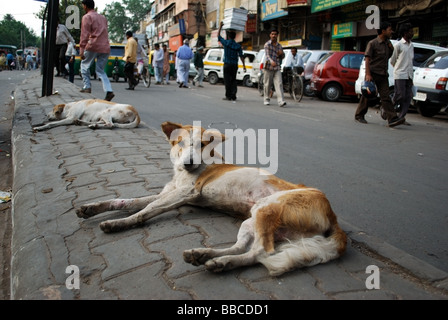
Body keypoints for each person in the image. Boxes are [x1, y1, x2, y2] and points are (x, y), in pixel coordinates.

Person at [354, 21, 404, 127]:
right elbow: (367, 59)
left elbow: (388, 57)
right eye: (390, 30)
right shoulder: (373, 43)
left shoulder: (388, 44)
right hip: (372, 73)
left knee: (385, 97)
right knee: (367, 95)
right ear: (383, 31)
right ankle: (359, 115)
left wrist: (391, 48)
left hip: (383, 74)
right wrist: (368, 74)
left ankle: (392, 118)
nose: (391, 32)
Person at [79, 0, 114, 101]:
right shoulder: (103, 17)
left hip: (93, 45)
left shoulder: (87, 17)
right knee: (100, 70)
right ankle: (109, 90)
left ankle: (87, 86)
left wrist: (82, 49)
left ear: (85, 6)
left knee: (84, 65)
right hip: (105, 46)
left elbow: (84, 34)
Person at [391, 23, 414, 125]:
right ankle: (387, 109)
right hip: (400, 74)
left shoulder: (411, 45)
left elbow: (410, 61)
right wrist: (399, 68)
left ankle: (401, 117)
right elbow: (393, 61)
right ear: (405, 33)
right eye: (410, 31)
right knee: (400, 95)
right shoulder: (398, 45)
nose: (412, 33)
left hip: (409, 75)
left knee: (408, 96)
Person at [218, 21, 246, 101]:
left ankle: (228, 96)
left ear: (228, 36)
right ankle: (233, 95)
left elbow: (218, 37)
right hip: (234, 65)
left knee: (227, 80)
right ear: (234, 37)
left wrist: (220, 27)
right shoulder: (238, 46)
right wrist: (244, 66)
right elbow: (241, 56)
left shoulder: (226, 43)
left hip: (227, 64)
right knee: (233, 80)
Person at [263, 29, 286, 107]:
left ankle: (281, 101)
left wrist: (281, 54)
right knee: (267, 84)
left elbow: (282, 56)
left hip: (277, 67)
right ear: (270, 35)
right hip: (268, 67)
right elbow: (267, 55)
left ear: (277, 35)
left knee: (279, 83)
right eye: (272, 34)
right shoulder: (267, 44)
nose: (274, 35)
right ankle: (266, 99)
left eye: (275, 34)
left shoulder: (279, 46)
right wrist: (271, 61)